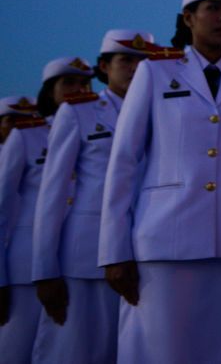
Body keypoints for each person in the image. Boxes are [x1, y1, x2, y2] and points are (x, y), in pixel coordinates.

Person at [98, 0, 221, 363]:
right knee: (161, 350)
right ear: (188, 18)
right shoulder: (154, 73)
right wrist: (114, 250)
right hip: (165, 240)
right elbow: (124, 162)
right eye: (213, 8)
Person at [31, 30, 153, 363]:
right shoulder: (79, 113)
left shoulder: (163, 108)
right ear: (103, 67)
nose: (135, 68)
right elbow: (52, 195)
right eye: (125, 60)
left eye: (142, 61)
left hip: (146, 251)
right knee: (75, 351)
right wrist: (45, 271)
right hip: (86, 256)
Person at [0, 56, 93, 363]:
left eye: (83, 83)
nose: (77, 89)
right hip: (26, 264)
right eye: (68, 83)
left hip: (79, 258)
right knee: (17, 348)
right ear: (49, 91)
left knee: (70, 349)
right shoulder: (26, 135)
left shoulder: (101, 126)